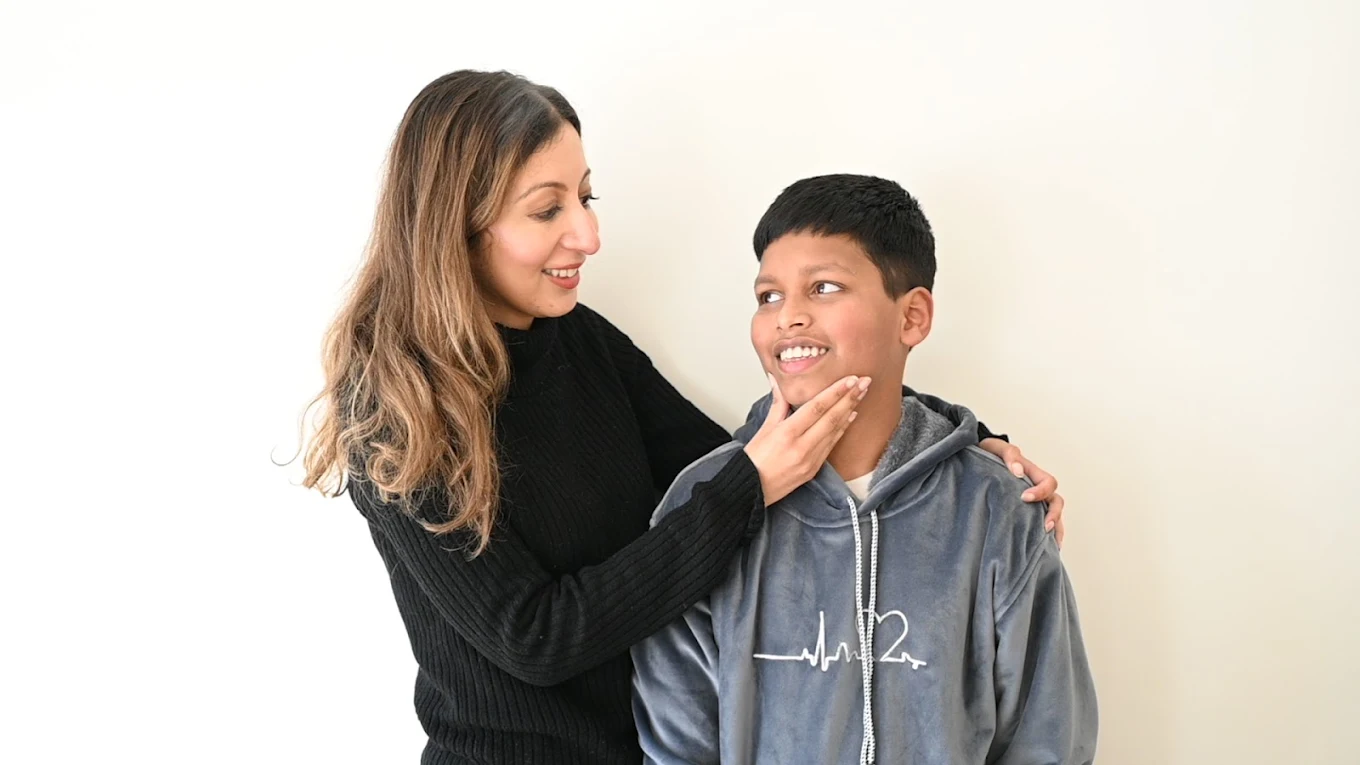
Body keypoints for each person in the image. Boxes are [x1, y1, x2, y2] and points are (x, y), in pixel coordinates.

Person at [300, 70, 1066, 765]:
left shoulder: (581, 342)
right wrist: (747, 485)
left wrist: (957, 444)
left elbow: (740, 456)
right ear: (455, 227)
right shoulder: (392, 415)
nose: (588, 236)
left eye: (586, 197)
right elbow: (536, 637)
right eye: (548, 209)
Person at [631, 174, 1097, 764]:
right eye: (768, 296)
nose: (788, 316)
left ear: (913, 317)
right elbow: (676, 746)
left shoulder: (997, 510)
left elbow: (1048, 741)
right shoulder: (700, 504)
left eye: (823, 287)